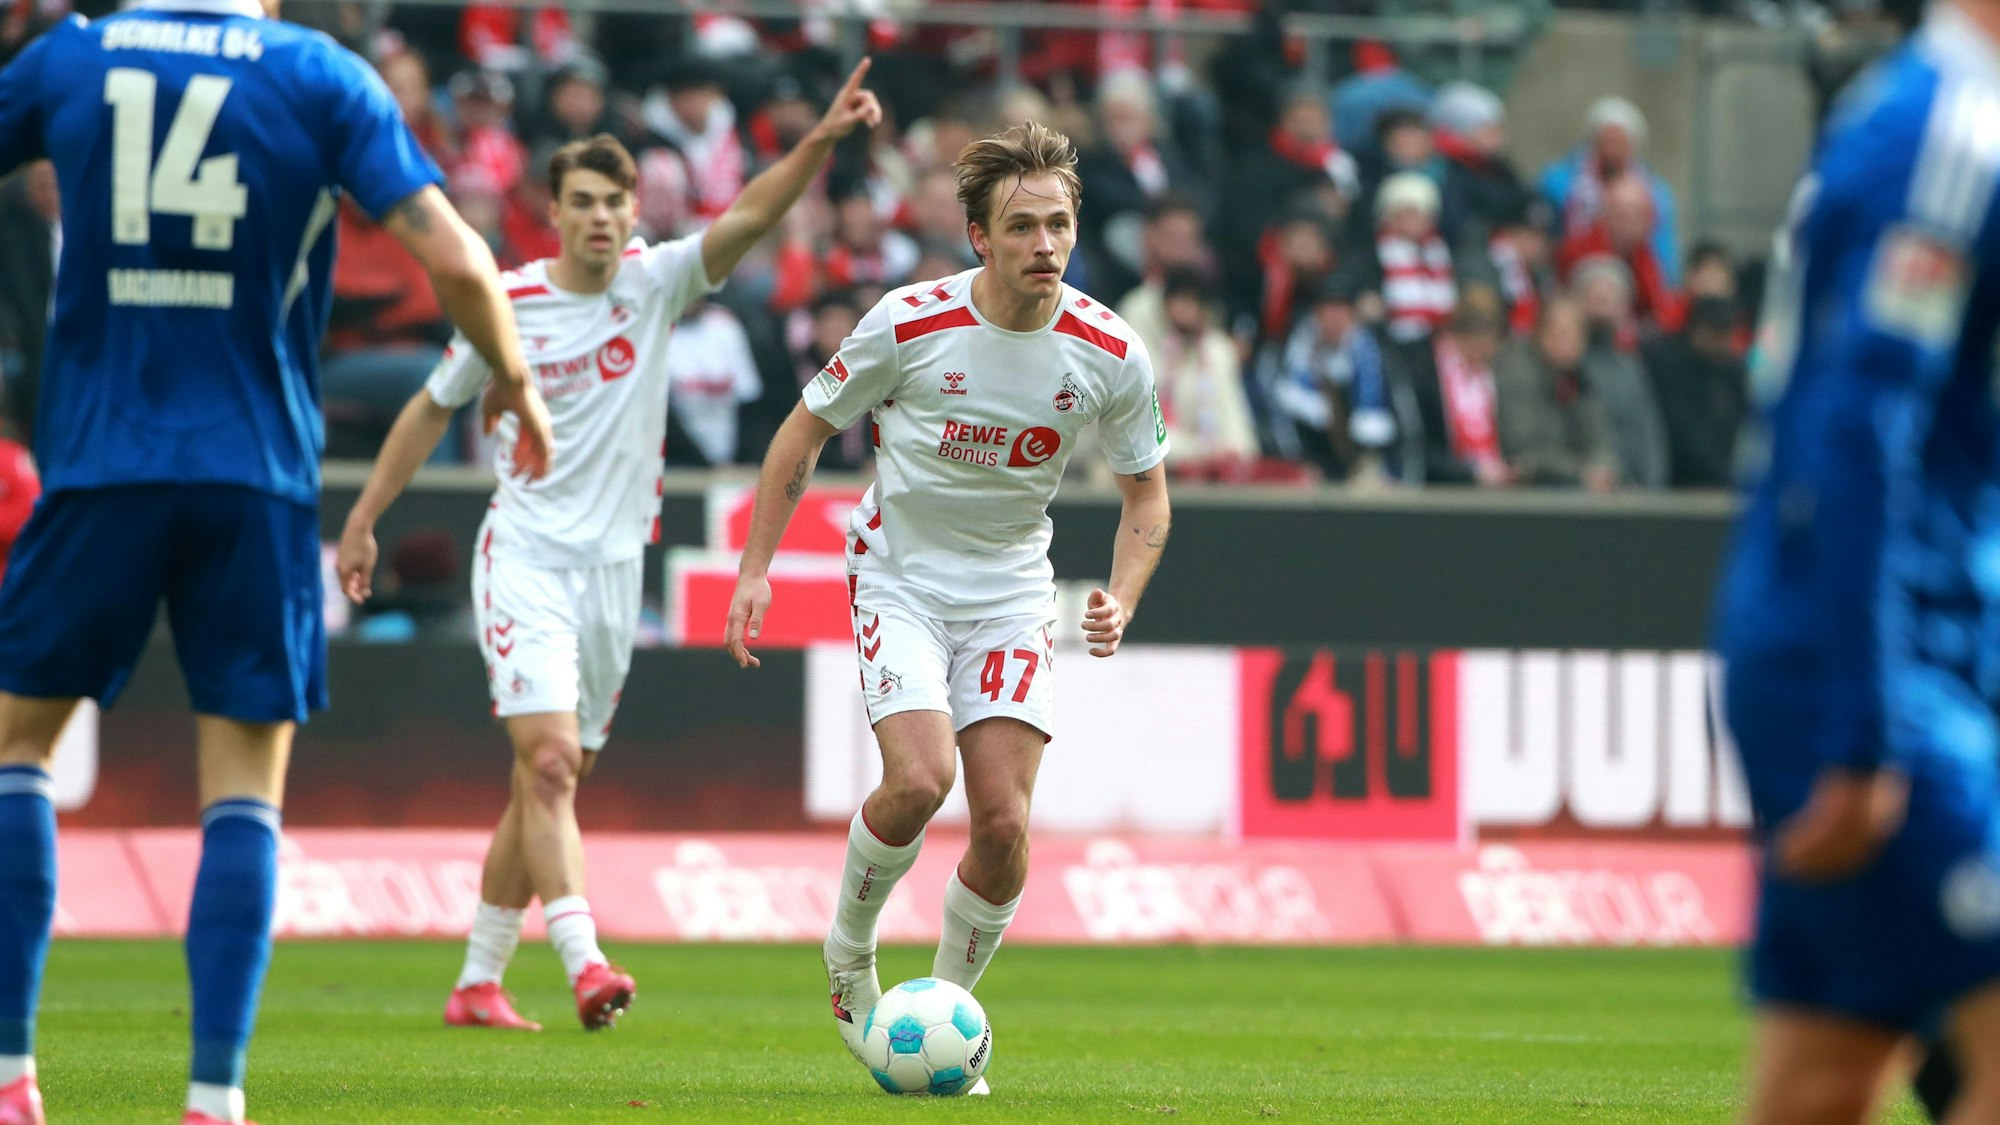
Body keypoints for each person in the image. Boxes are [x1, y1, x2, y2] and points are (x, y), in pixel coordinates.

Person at [0, 1, 555, 1122]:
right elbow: (454, 254)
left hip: (100, 460)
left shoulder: (70, 55)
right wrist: (516, 375)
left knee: (16, 754)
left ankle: (11, 1080)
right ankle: (214, 1098)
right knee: (243, 788)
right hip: (251, 476)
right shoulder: (317, 72)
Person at [336, 64, 884, 1036]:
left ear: (634, 211)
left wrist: (819, 142)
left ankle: (477, 979)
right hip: (527, 556)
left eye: (614, 202)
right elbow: (430, 408)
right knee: (548, 765)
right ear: (551, 210)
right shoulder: (503, 302)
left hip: (613, 568)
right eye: (581, 201)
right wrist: (365, 517)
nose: (600, 217)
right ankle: (585, 961)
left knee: (548, 777)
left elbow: (750, 218)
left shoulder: (653, 282)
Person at [722, 121, 1172, 1094]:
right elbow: (800, 435)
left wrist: (1120, 599)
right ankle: (848, 956)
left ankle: (939, 1020)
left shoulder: (1109, 351)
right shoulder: (907, 323)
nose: (1044, 245)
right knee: (919, 781)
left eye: (1058, 225)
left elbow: (1148, 496)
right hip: (901, 577)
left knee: (1003, 826)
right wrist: (756, 567)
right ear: (979, 236)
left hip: (1010, 589)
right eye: (1021, 227)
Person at [1713, 0, 2000, 1121]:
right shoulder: (1950, 131)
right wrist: (1867, 724)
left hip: (1846, 648)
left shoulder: (1916, 117)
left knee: (1820, 1083)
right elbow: (1857, 430)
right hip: (1877, 669)